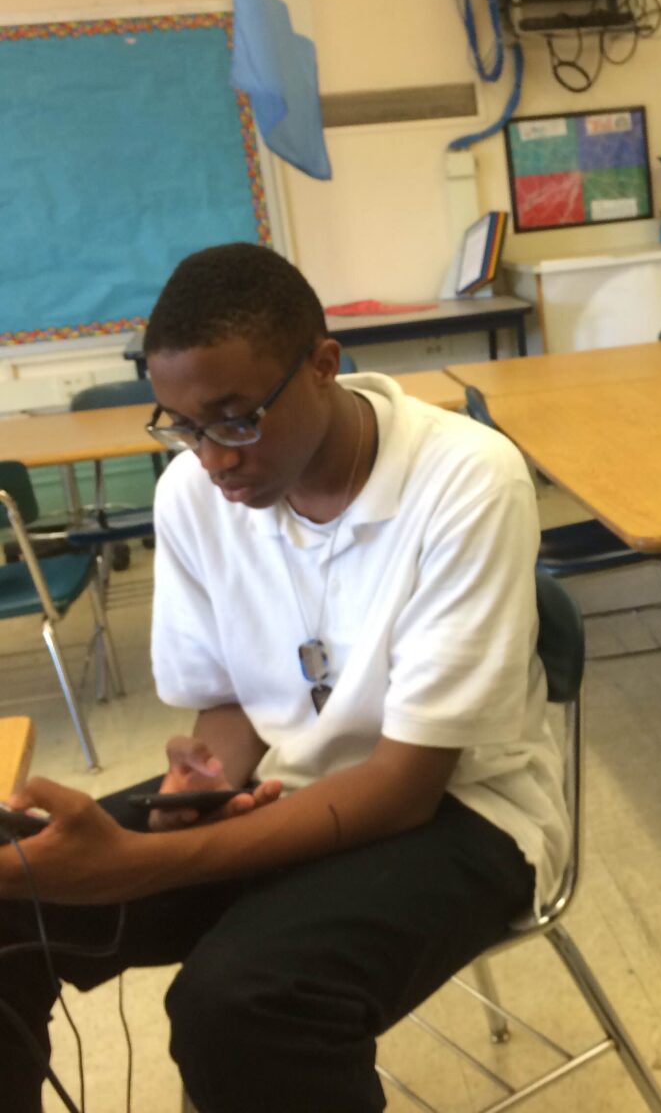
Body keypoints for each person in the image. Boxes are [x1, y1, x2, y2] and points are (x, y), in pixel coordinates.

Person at [0, 243, 568, 1113]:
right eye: (183, 426)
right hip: (288, 785)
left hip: (466, 809)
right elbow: (230, 699)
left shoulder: (465, 479)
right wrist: (210, 780)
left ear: (323, 365)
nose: (214, 458)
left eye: (236, 418)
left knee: (242, 1005)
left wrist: (144, 863)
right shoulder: (194, 493)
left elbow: (405, 790)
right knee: (10, 898)